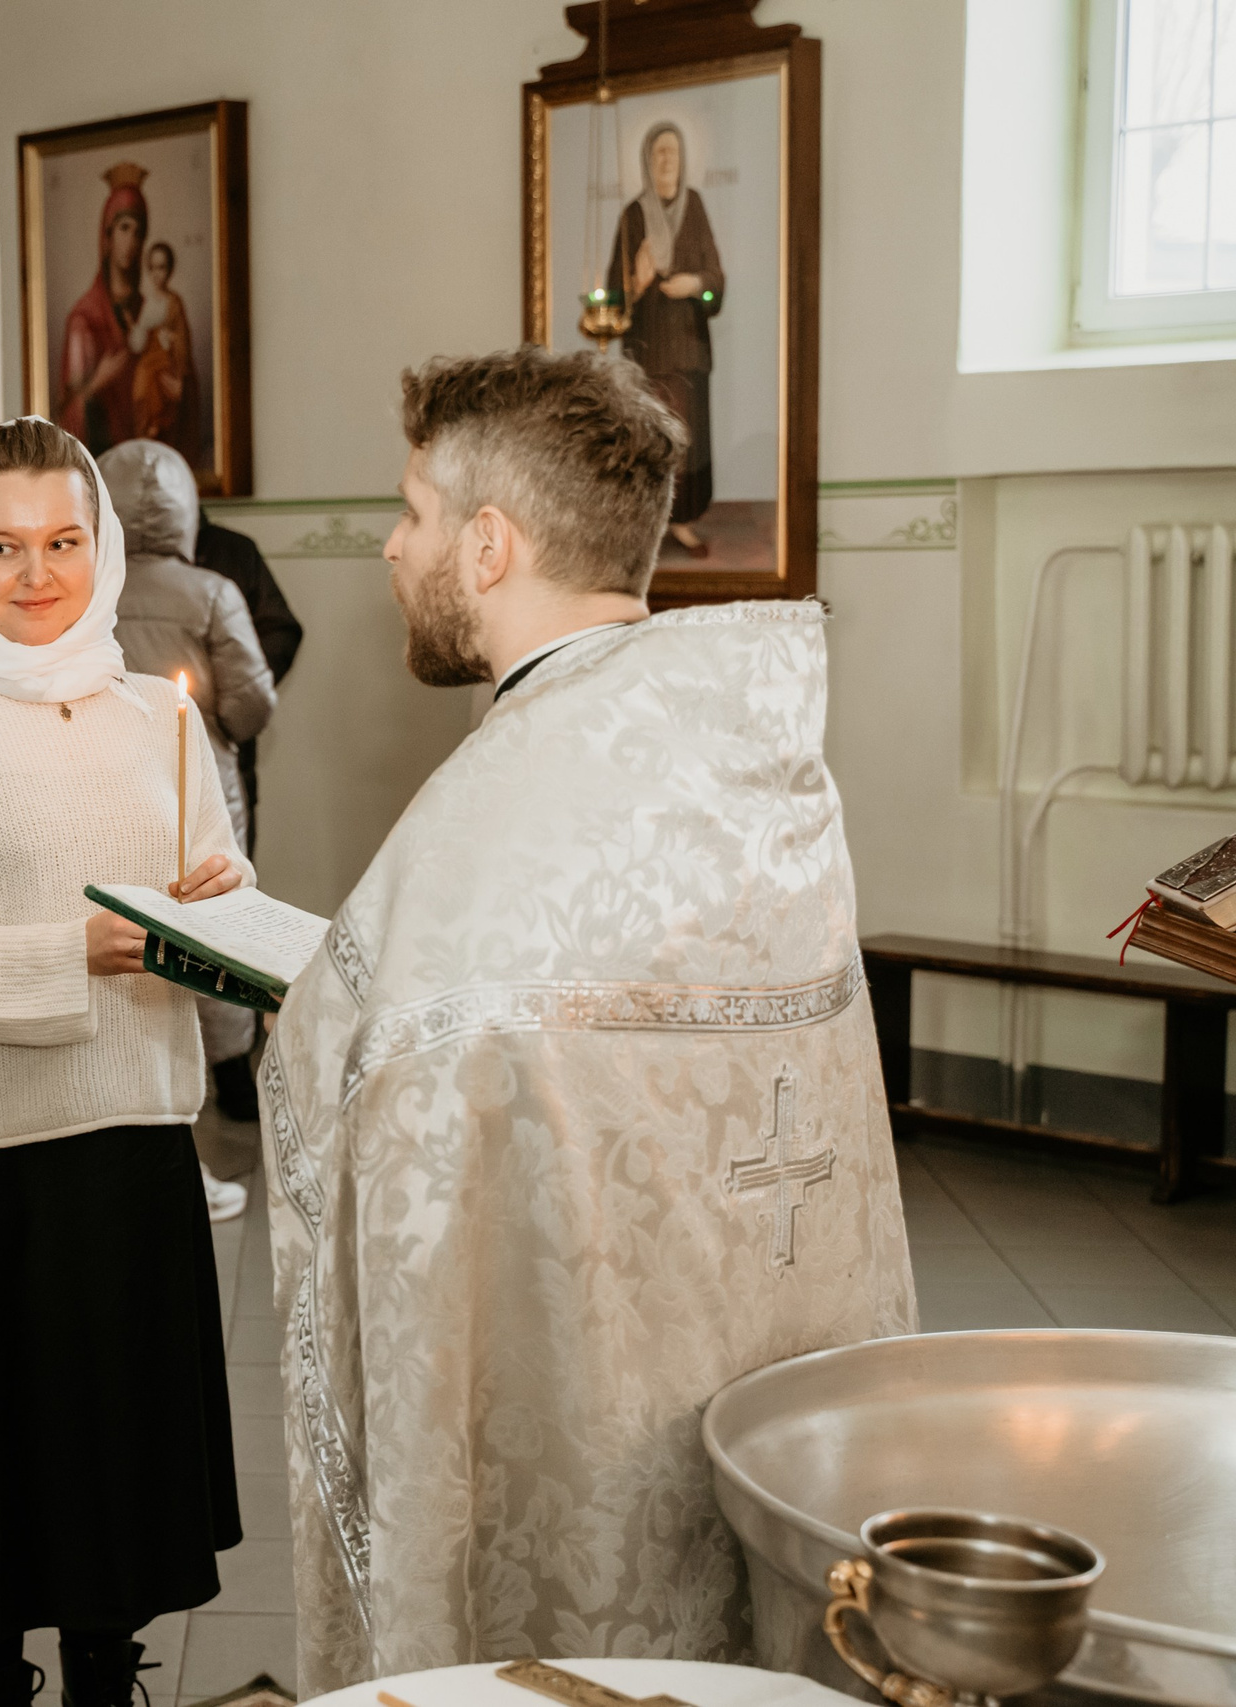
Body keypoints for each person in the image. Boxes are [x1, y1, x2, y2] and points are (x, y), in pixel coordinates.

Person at [259, 348, 916, 1692]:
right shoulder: (748, 758)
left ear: (488, 544)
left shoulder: (493, 819)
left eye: (413, 513)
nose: (392, 548)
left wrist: (314, 1009)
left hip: (590, 1417)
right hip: (763, 1380)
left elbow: (385, 1066)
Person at [0, 416, 244, 1707]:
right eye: (2, 544)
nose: (35, 573)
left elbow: (200, 923)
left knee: (115, 1460)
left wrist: (218, 916)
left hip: (130, 1136)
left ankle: (107, 1673)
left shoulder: (157, 718)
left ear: (103, 542)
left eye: (63, 541)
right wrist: (78, 951)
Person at [97, 436, 277, 1153]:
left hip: (108, 776)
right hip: (201, 781)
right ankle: (233, 1078)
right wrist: (223, 732)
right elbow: (251, 701)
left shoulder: (89, 592)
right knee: (217, 919)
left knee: (125, 921)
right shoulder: (212, 592)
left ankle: (134, 1079)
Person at [605, 120, 724, 557]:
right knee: (651, 439)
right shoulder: (633, 216)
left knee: (689, 439)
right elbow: (614, 296)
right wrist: (636, 283)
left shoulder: (694, 206)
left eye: (673, 151)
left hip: (690, 348)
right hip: (649, 352)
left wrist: (695, 285)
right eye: (659, 152)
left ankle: (685, 521)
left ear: (684, 159)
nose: (667, 160)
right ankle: (651, 526)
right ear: (647, 161)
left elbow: (716, 280)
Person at [57, 162, 198, 460]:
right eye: (124, 229)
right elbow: (64, 421)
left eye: (138, 232)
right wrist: (97, 382)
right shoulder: (84, 319)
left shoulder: (157, 309)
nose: (131, 242)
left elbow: (186, 386)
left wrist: (178, 389)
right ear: (107, 236)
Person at [192, 518, 301, 859]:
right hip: (125, 758)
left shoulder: (232, 551)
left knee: (224, 882)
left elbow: (279, 630)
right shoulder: (100, 548)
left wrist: (230, 687)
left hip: (223, 750)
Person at [128, 242, 195, 447]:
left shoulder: (174, 302)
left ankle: (157, 422)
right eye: (153, 268)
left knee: (156, 380)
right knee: (142, 380)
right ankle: (148, 424)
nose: (157, 274)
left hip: (167, 359)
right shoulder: (146, 303)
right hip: (150, 357)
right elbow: (139, 340)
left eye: (162, 267)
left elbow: (182, 339)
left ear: (170, 270)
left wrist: (170, 339)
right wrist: (139, 332)